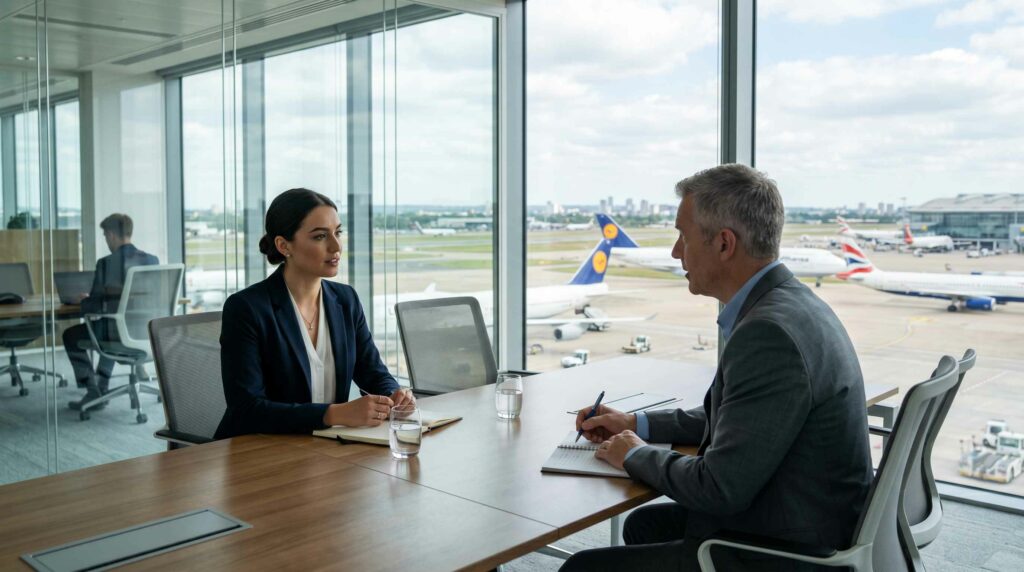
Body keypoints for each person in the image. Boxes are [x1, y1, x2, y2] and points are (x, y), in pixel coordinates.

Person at [562, 164, 872, 571]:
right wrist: (634, 425)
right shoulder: (791, 304)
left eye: (683, 236)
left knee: (581, 569)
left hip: (791, 550)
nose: (676, 251)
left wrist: (634, 455)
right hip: (806, 514)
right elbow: (736, 420)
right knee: (644, 525)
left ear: (724, 244)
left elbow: (719, 489)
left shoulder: (768, 333)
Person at [215, 188, 414, 439]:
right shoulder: (246, 308)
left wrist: (395, 395)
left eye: (338, 232)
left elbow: (373, 372)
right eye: (320, 236)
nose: (336, 246)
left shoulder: (346, 300)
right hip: (258, 452)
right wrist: (334, 414)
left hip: (325, 449)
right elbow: (247, 409)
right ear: (284, 245)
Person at [66, 213, 159, 411]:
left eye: (105, 236)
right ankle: (102, 385)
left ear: (111, 235)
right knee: (110, 327)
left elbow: (95, 307)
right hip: (146, 332)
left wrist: (85, 301)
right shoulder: (152, 260)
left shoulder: (106, 263)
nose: (106, 240)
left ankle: (93, 390)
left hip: (118, 333)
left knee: (73, 335)